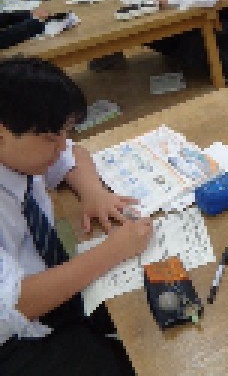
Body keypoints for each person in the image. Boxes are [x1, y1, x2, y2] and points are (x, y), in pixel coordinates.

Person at [0, 57, 153, 375]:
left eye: (64, 133)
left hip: (46, 287)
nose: (61, 146)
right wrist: (114, 250)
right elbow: (15, 303)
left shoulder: (22, 152)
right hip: (13, 335)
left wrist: (94, 193)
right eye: (50, 138)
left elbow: (75, 155)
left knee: (146, 307)